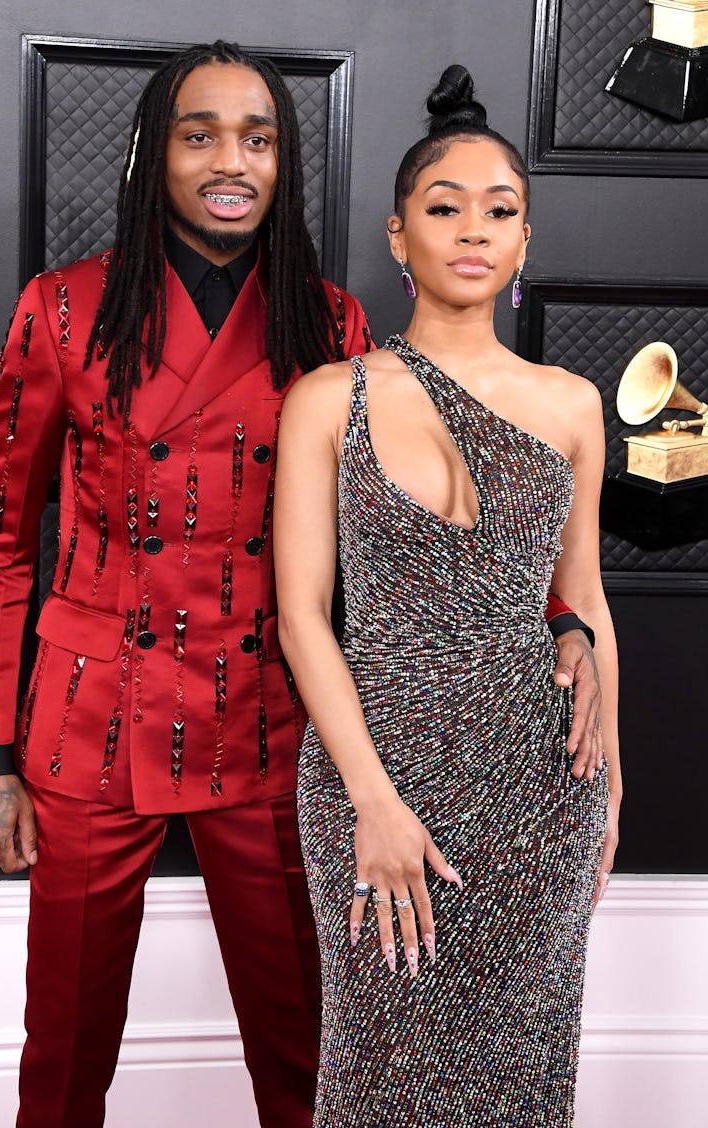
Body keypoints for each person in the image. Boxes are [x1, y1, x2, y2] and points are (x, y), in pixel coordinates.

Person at [0, 41, 601, 1128]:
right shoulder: (63, 311)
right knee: (59, 1061)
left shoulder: (327, 323)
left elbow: (423, 521)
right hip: (86, 725)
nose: (229, 161)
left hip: (264, 725)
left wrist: (562, 618)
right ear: (152, 155)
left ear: (284, 161)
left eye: (256, 138)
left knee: (307, 1057)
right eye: (197, 133)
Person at [274, 63, 621, 1127]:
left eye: (499, 210)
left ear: (522, 241)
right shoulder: (327, 398)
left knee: (521, 1080)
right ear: (396, 237)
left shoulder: (569, 404)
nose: (472, 229)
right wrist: (373, 804)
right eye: (443, 207)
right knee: (376, 1077)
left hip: (536, 792)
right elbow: (300, 617)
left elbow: (584, 601)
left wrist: (609, 789)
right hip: (373, 783)